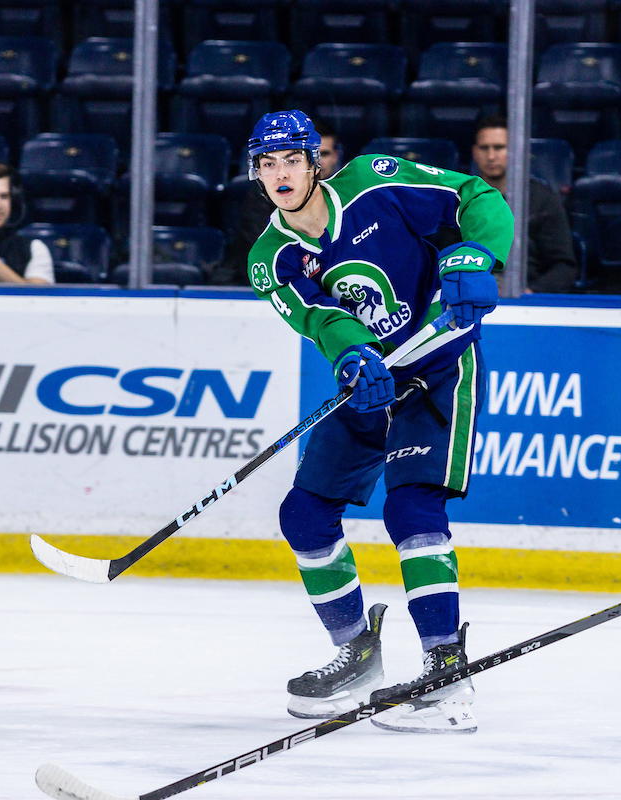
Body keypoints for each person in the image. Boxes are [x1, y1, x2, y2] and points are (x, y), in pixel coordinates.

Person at [245, 110, 513, 733]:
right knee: (304, 516)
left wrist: (477, 254)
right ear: (256, 173)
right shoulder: (270, 257)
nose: (281, 175)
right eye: (268, 164)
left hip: (438, 368)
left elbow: (474, 196)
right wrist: (351, 355)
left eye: (292, 161)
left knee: (412, 509)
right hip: (368, 382)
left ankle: (446, 672)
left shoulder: (374, 182)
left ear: (316, 162)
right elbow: (318, 316)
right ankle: (357, 656)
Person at [218, 118, 343, 286]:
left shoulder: (348, 193)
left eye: (324, 154)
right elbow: (265, 250)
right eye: (311, 155)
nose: (317, 161)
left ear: (336, 156)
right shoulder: (267, 194)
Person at [470, 115, 578, 293]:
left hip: (528, 298)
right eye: (484, 148)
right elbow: (443, 257)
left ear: (515, 151)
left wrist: (531, 292)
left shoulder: (543, 199)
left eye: (499, 148)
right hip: (469, 296)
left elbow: (564, 267)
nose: (491, 156)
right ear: (475, 152)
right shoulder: (460, 199)